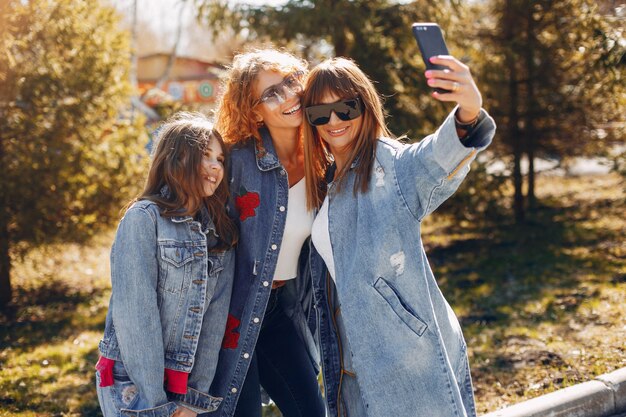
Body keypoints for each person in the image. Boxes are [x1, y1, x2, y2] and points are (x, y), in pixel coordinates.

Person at [302, 56, 496, 417]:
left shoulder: (387, 165)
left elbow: (431, 160)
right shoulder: (326, 180)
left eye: (346, 108)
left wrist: (468, 112)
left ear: (366, 105)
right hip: (349, 364)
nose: (333, 121)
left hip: (406, 359)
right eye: (319, 113)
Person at [95, 113, 238, 417]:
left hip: (183, 382)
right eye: (205, 156)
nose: (215, 167)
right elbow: (135, 312)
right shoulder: (143, 219)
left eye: (220, 159)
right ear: (177, 159)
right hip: (131, 379)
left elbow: (215, 321)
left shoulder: (219, 231)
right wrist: (155, 403)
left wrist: (193, 399)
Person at [208, 49, 325, 417]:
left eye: (292, 82)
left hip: (278, 310)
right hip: (228, 318)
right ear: (254, 110)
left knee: (312, 411)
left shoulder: (326, 155)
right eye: (272, 93)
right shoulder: (235, 162)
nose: (290, 95)